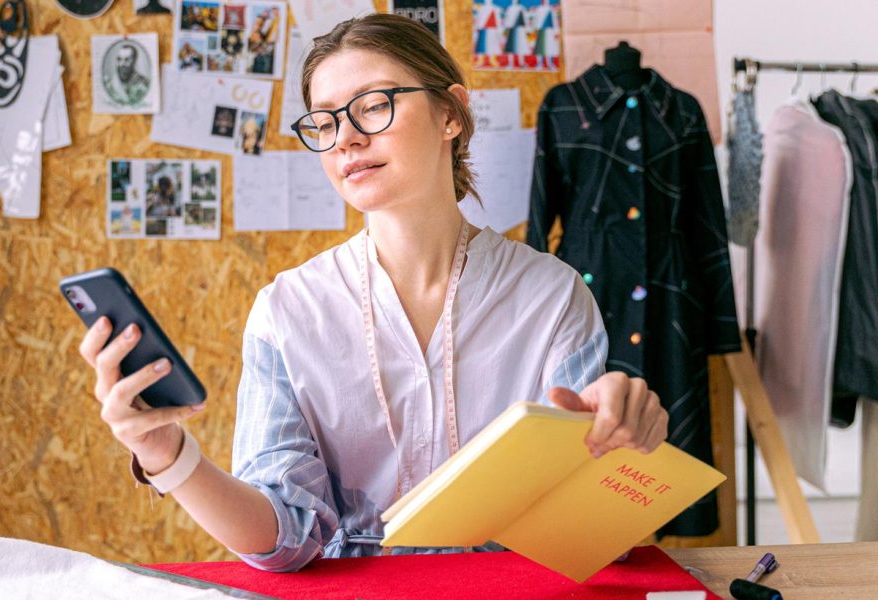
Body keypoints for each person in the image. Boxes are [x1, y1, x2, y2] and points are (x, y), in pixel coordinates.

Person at [78, 14, 667, 573]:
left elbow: (582, 527)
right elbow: (282, 540)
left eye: (374, 105)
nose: (346, 139)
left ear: (452, 113)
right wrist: (167, 455)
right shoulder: (285, 313)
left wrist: (626, 450)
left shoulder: (553, 296)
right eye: (326, 121)